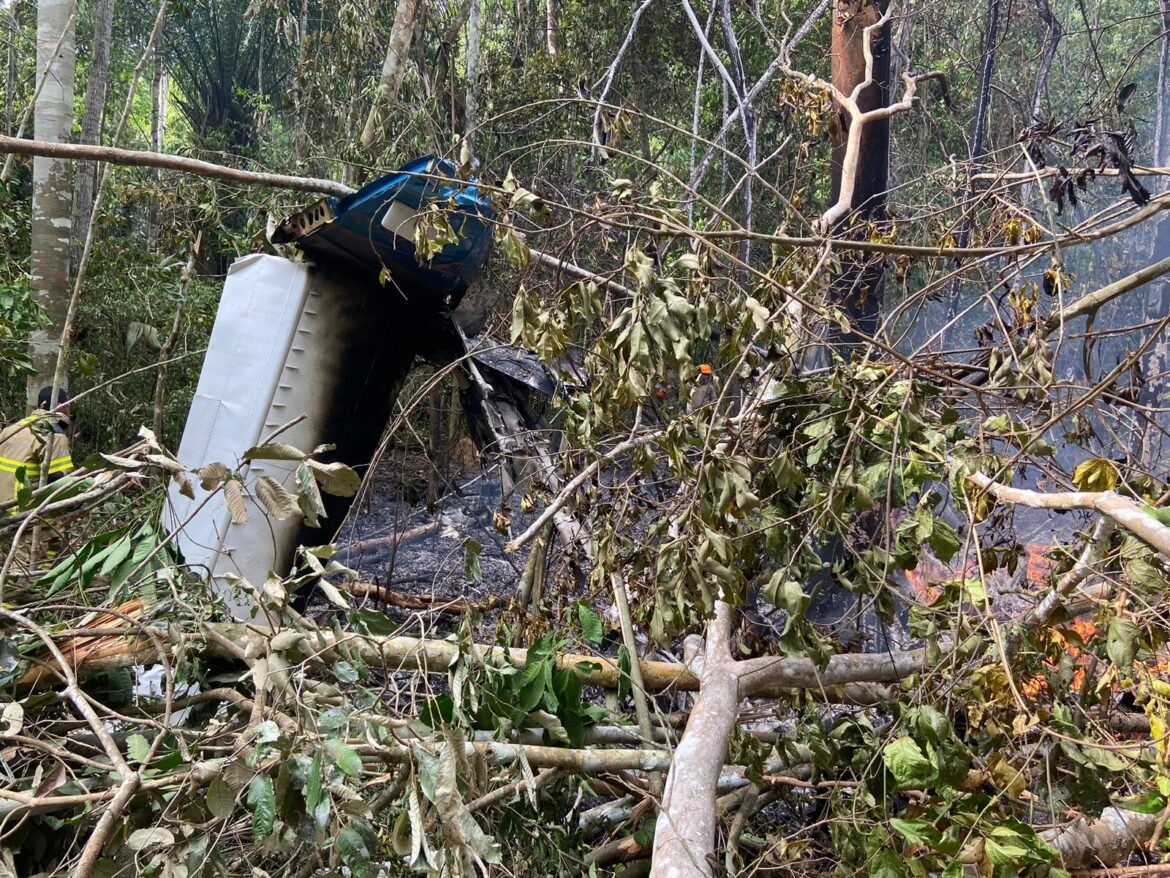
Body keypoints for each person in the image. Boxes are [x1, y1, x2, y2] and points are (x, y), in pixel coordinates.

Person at [0, 386, 74, 502]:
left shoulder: (9, 430)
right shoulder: (55, 437)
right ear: (63, 407)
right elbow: (60, 485)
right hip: (26, 513)